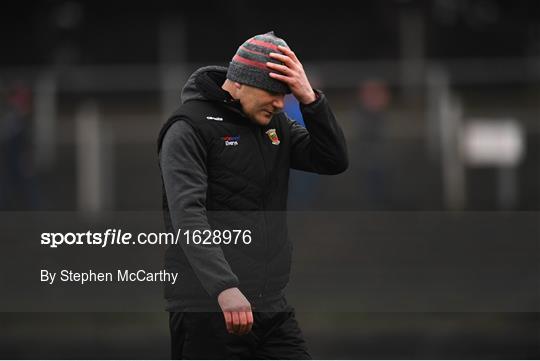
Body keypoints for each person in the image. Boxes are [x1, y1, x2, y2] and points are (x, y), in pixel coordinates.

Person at [157, 31, 348, 359]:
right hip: (209, 308)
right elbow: (187, 215)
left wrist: (310, 100)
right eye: (273, 92)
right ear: (241, 82)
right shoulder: (188, 128)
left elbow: (332, 160)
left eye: (285, 93)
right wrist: (224, 287)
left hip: (270, 306)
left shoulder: (277, 124)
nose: (279, 102)